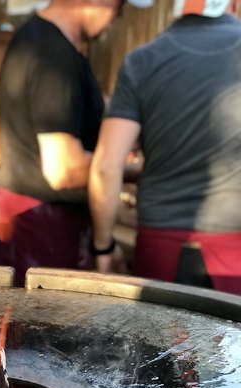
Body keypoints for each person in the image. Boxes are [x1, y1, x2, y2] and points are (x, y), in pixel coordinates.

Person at [0, 0, 152, 286]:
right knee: (39, 315)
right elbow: (64, 169)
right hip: (44, 228)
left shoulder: (36, 37)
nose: (120, 14)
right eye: (119, 5)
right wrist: (127, 170)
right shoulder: (54, 57)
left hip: (27, 215)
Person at [88, 0, 241, 295]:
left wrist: (103, 246)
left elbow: (106, 166)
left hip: (160, 244)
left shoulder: (141, 62)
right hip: (236, 245)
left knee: (159, 327)